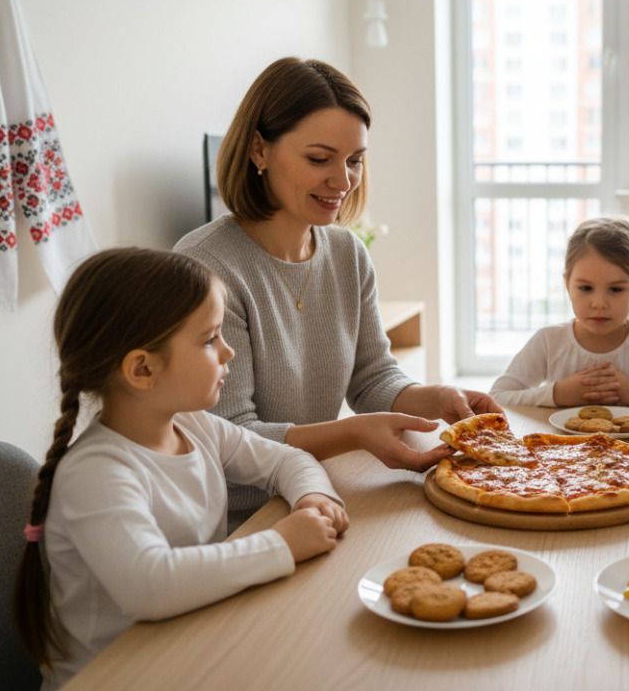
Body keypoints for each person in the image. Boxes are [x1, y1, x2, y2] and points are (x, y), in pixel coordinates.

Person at [175, 57, 499, 527]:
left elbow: (371, 379)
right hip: (241, 521)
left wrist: (437, 398)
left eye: (354, 160)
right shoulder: (206, 267)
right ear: (258, 150)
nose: (343, 181)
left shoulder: (347, 253)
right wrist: (353, 434)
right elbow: (230, 439)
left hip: (315, 492)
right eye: (319, 159)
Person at [13, 248, 348, 690]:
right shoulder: (95, 474)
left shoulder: (195, 426)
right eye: (210, 340)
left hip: (187, 646)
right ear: (142, 369)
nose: (228, 350)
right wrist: (281, 542)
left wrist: (312, 497)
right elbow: (151, 585)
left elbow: (287, 459)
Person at [490, 216, 629, 408]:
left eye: (615, 289)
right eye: (586, 288)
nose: (599, 304)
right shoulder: (548, 341)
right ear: (567, 285)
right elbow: (497, 397)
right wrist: (557, 394)